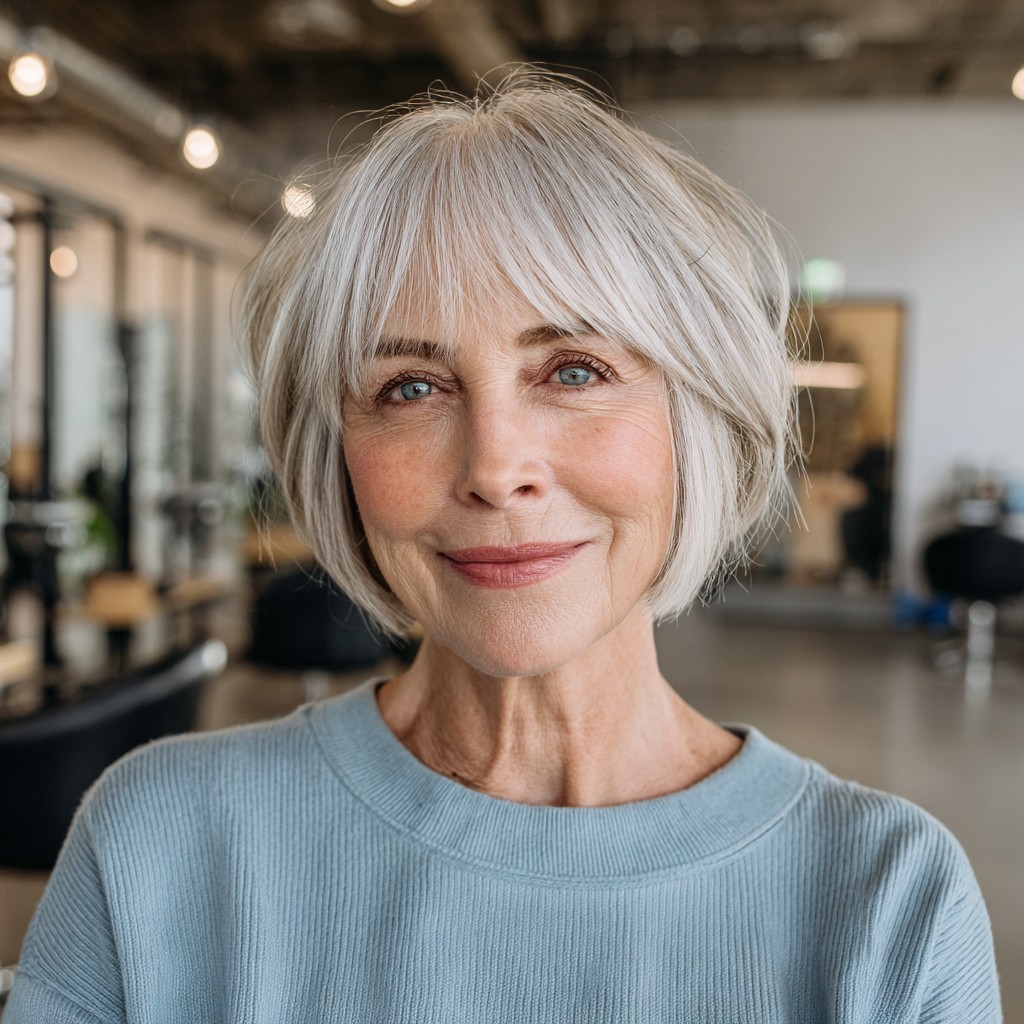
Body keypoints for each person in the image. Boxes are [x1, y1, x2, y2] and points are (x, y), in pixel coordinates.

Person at [5, 69, 1000, 1022]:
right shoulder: (159, 845)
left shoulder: (888, 905)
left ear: (692, 416)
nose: (494, 467)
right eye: (411, 386)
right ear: (336, 451)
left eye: (573, 370)